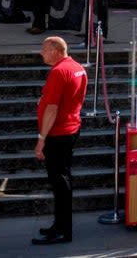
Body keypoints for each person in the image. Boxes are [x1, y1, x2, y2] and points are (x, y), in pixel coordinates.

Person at [32, 36, 88, 246]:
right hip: (71, 128)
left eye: (44, 48)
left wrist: (41, 139)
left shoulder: (58, 72)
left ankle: (63, 230)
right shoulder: (77, 67)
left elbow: (52, 108)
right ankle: (60, 225)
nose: (41, 52)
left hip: (58, 133)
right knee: (63, 180)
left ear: (56, 50)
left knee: (60, 183)